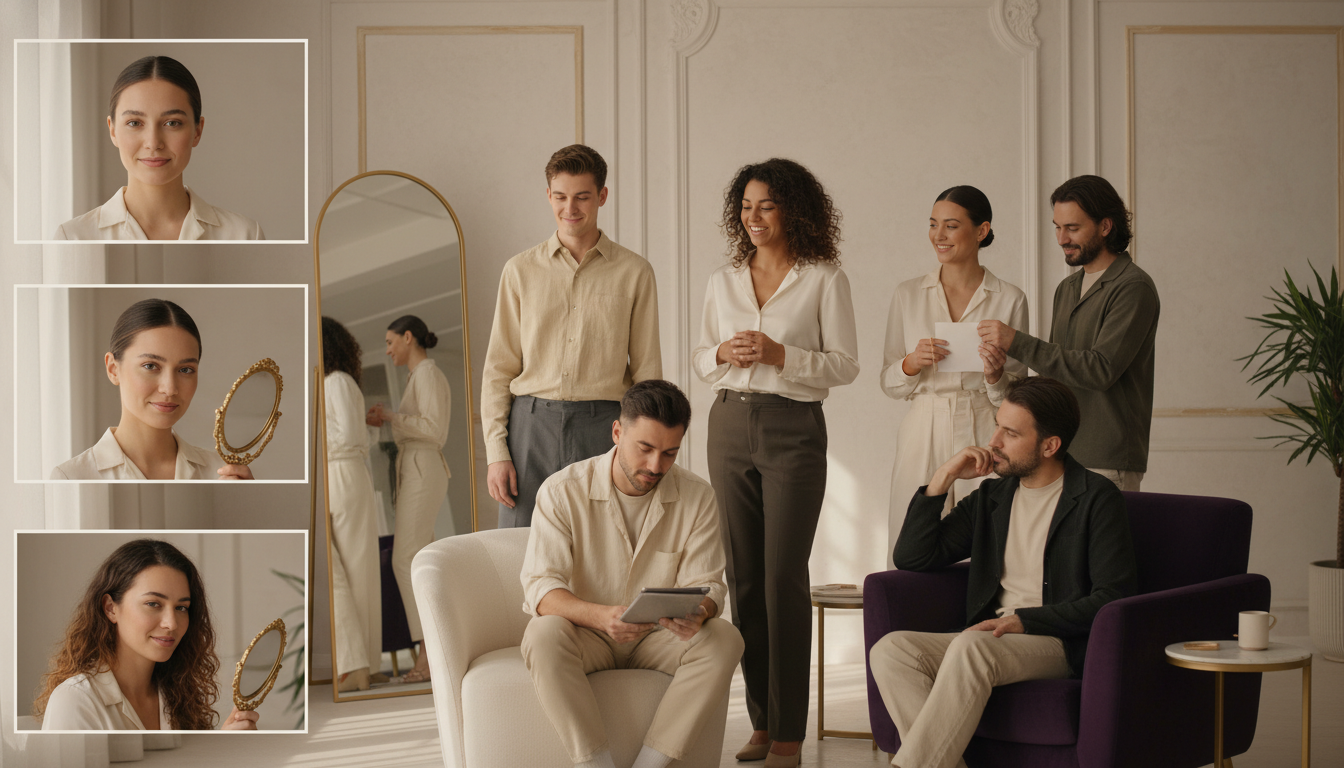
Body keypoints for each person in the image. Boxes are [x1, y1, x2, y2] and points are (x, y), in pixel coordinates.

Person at [870, 377, 1137, 768]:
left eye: (1010, 433)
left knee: (970, 645)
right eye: (997, 425)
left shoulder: (1096, 498)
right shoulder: (993, 497)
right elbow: (913, 556)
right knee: (892, 650)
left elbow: (1113, 596)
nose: (993, 441)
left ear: (1050, 445)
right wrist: (943, 477)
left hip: (1057, 641)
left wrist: (1024, 620)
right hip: (992, 639)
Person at [693, 157, 858, 767]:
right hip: (729, 422)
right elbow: (700, 360)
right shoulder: (724, 280)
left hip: (793, 429)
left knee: (783, 577)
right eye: (746, 207)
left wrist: (781, 353)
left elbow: (844, 364)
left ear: (792, 208)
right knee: (743, 578)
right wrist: (721, 350)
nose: (754, 218)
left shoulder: (822, 278)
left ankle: (790, 729)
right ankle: (761, 721)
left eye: (766, 205)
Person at [519, 380, 743, 768]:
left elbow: (709, 586)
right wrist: (601, 617)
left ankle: (651, 764)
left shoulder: (698, 496)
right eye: (646, 449)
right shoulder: (561, 491)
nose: (656, 466)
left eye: (670, 453)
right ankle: (596, 763)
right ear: (617, 432)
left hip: (660, 637)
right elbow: (542, 588)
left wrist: (700, 611)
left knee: (725, 638)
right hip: (588, 635)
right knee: (542, 633)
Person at [482, 144, 662, 528]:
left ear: (602, 196)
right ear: (548, 195)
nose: (570, 209)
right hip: (530, 427)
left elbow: (647, 371)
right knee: (520, 550)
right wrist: (497, 452)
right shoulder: (519, 271)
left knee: (600, 548)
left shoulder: (635, 272)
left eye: (582, 197)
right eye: (560, 197)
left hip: (604, 427)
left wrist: (646, 449)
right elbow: (498, 369)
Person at [978, 175, 1159, 491]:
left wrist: (1016, 341)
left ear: (1105, 226)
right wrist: (996, 376)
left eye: (1072, 228)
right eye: (1057, 227)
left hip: (1107, 461)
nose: (1061, 238)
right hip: (1058, 455)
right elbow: (1056, 376)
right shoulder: (1068, 288)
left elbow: (1100, 370)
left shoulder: (1133, 287)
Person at [882, 185, 1028, 567]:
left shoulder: (1009, 298)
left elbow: (1016, 392)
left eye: (950, 225)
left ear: (981, 231)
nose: (938, 236)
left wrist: (996, 376)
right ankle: (909, 622)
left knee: (985, 535)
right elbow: (889, 381)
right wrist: (912, 362)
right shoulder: (908, 293)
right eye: (933, 225)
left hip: (985, 424)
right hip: (923, 421)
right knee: (912, 529)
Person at [35, 539, 259, 730]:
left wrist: (221, 749)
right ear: (110, 608)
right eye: (153, 603)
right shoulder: (76, 701)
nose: (171, 623)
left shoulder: (179, 698)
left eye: (182, 607)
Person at [55, 56, 263, 240]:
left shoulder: (245, 235)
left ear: (197, 131)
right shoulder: (73, 237)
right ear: (113, 131)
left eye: (172, 123)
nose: (153, 143)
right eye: (135, 123)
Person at [51, 298, 254, 480]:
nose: (170, 388)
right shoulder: (72, 477)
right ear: (113, 369)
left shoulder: (223, 471)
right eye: (150, 366)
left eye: (185, 369)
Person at [365, 314, 449, 683]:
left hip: (422, 466)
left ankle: (428, 654)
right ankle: (434, 651)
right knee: (422, 562)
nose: (387, 349)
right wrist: (388, 419)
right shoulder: (418, 377)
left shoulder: (428, 374)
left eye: (389, 341)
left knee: (405, 560)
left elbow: (433, 430)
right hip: (415, 467)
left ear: (409, 337)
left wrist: (391, 417)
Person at [321, 317, 383, 693]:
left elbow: (348, 437)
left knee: (359, 571)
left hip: (343, 473)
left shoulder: (337, 382)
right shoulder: (335, 383)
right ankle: (359, 662)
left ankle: (364, 666)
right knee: (344, 571)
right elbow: (354, 435)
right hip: (338, 473)